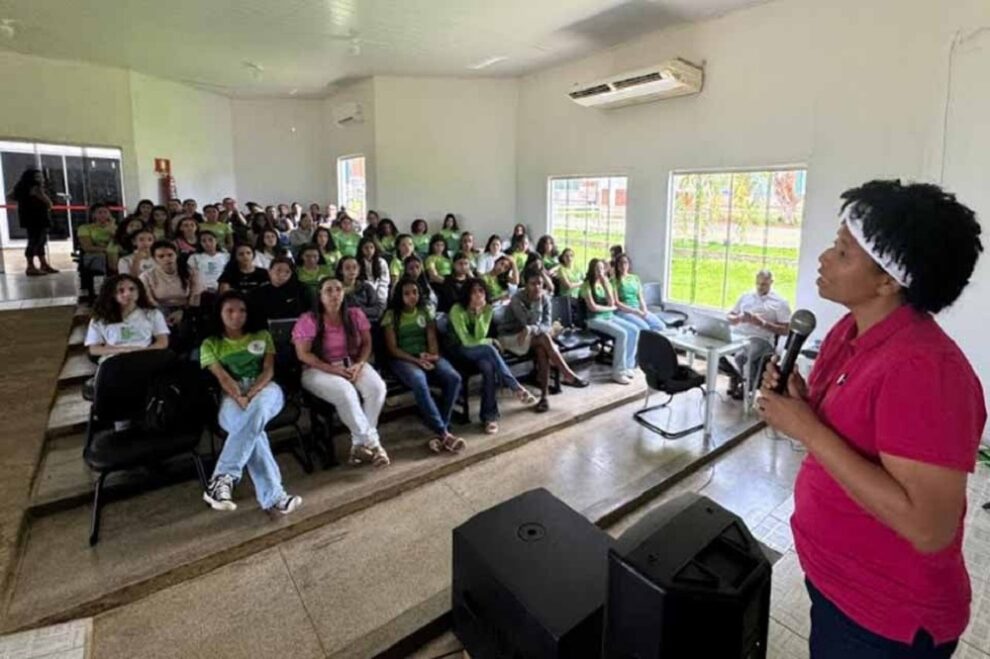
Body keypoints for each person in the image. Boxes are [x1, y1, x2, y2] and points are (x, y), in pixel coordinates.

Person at [756, 180, 986, 659]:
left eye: (843, 252)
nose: (824, 258)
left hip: (883, 619)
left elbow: (929, 528)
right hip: (836, 584)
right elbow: (849, 436)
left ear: (888, 281)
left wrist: (805, 427)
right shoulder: (850, 330)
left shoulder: (926, 371)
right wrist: (801, 402)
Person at [200, 291, 302, 515]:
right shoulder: (210, 344)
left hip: (265, 389)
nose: (236, 315)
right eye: (230, 311)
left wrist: (252, 393)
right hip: (231, 394)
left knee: (258, 410)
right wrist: (239, 396)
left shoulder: (262, 335)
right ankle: (275, 497)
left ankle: (222, 477)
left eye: (242, 310)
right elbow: (223, 377)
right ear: (219, 314)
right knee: (253, 433)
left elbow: (268, 370)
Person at [293, 276, 389, 467]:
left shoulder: (354, 314)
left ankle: (358, 445)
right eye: (329, 290)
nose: (334, 294)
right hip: (317, 369)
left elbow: (367, 343)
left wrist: (359, 364)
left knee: (377, 388)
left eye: (338, 289)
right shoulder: (309, 320)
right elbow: (303, 354)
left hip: (351, 363)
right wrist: (332, 369)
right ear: (320, 295)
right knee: (346, 392)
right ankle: (373, 444)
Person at [383, 277, 464, 453]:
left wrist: (431, 356)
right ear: (400, 296)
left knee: (453, 377)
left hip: (426, 355)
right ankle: (443, 432)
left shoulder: (425, 310)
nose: (412, 296)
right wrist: (416, 361)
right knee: (419, 379)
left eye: (415, 292)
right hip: (403, 359)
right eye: (407, 293)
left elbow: (432, 338)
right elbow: (393, 349)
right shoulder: (391, 315)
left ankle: (441, 428)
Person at [448, 279, 537, 433]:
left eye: (481, 291)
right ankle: (515, 387)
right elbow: (466, 341)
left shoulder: (487, 309)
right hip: (458, 350)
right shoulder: (457, 309)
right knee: (489, 349)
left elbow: (479, 336)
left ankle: (489, 417)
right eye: (473, 291)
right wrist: (490, 341)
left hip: (479, 349)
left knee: (488, 367)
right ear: (467, 293)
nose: (478, 295)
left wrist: (478, 314)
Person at [499, 268, 588, 412]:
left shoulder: (545, 298)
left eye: (540, 283)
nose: (537, 287)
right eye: (533, 284)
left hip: (532, 336)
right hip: (510, 337)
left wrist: (531, 329)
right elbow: (527, 322)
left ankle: (544, 397)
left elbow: (546, 325)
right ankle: (567, 374)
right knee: (543, 339)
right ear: (525, 284)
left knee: (542, 348)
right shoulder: (517, 299)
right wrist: (536, 303)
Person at [726, 269, 791, 399]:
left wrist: (762, 323)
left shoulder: (780, 302)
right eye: (758, 283)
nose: (760, 287)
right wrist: (738, 318)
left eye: (764, 284)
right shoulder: (746, 296)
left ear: (771, 282)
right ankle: (736, 376)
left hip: (761, 339)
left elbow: (786, 330)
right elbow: (730, 316)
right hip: (739, 335)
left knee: (742, 356)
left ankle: (747, 387)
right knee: (716, 350)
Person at [581, 258, 639, 385]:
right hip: (594, 319)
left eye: (602, 268)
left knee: (634, 330)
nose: (600, 271)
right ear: (591, 270)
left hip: (609, 316)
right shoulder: (586, 285)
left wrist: (605, 284)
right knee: (622, 334)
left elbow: (612, 302)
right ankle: (618, 373)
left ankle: (628, 365)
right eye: (597, 268)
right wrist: (610, 308)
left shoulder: (605, 283)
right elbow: (593, 307)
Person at [84, 274, 169, 360]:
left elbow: (162, 343)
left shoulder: (153, 314)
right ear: (112, 294)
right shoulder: (100, 318)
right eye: (121, 290)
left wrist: (139, 351)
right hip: (115, 358)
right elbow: (94, 349)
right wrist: (123, 350)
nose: (128, 294)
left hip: (145, 356)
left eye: (132, 289)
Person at [140, 240, 202, 329]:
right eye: (161, 256)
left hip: (187, 310)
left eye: (170, 255)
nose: (167, 259)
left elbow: (195, 298)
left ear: (176, 255)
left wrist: (184, 312)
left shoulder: (191, 272)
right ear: (154, 259)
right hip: (159, 310)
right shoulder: (146, 276)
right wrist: (162, 315)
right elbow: (149, 300)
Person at [7, 169, 56, 275]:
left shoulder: (21, 188)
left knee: (36, 240)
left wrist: (24, 201)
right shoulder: (36, 188)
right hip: (38, 217)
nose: (41, 179)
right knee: (37, 241)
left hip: (28, 217)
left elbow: (10, 196)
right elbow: (49, 203)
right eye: (38, 177)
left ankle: (42, 264)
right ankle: (31, 266)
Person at [612, 253, 666, 332]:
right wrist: (635, 312)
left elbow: (640, 298)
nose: (623, 265)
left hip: (637, 308)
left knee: (660, 326)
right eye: (620, 263)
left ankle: (649, 338)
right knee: (645, 328)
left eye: (625, 262)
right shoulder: (613, 281)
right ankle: (644, 338)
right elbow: (617, 303)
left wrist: (644, 310)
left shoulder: (635, 278)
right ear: (617, 265)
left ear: (629, 264)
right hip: (624, 311)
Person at [250, 256, 310, 322]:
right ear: (269, 271)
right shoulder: (257, 293)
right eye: (278, 270)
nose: (282, 275)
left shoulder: (301, 289)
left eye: (287, 272)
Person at [337, 255, 385, 322]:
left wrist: (358, 311)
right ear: (341, 271)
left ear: (359, 270)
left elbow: (377, 310)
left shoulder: (366, 287)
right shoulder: (336, 289)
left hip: (367, 322)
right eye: (347, 268)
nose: (351, 270)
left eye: (354, 267)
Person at [77, 202, 117, 278]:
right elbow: (87, 247)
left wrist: (112, 229)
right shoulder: (85, 228)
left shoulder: (115, 227)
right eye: (100, 212)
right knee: (103, 257)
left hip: (113, 253)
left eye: (105, 212)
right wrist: (108, 249)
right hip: (95, 254)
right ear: (93, 215)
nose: (103, 215)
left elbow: (119, 242)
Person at [357, 237, 390, 306]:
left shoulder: (381, 262)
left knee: (381, 300)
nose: (369, 250)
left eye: (371, 247)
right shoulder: (357, 262)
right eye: (366, 248)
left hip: (380, 289)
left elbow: (384, 280)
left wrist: (379, 293)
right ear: (361, 249)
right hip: (364, 290)